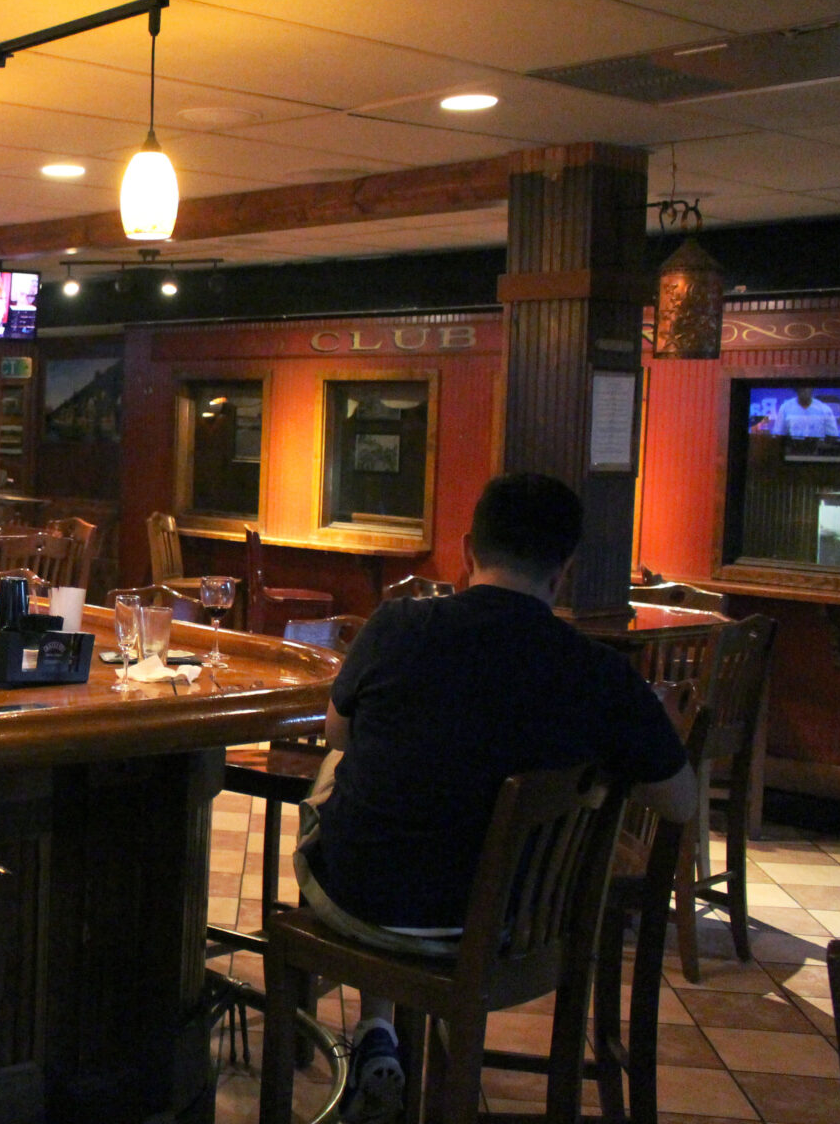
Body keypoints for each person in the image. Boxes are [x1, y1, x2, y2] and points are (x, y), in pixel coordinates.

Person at [296, 473, 694, 1124]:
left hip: (361, 906)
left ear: (465, 549)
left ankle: (378, 1024)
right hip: (508, 932)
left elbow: (337, 731)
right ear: (563, 571)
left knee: (343, 773)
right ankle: (390, 1030)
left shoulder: (397, 626)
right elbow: (681, 803)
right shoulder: (598, 675)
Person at [767, 386, 840, 438]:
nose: (805, 391)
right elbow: (778, 435)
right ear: (797, 390)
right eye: (802, 388)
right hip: (793, 453)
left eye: (807, 387)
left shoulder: (825, 409)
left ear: (812, 389)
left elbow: (833, 436)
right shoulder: (785, 408)